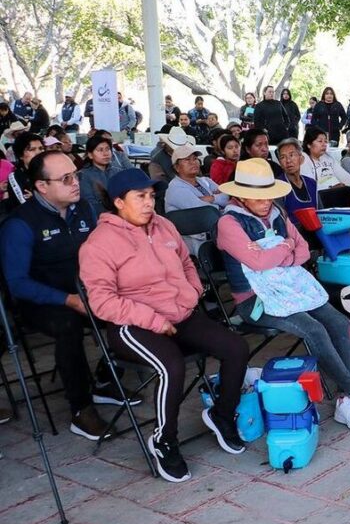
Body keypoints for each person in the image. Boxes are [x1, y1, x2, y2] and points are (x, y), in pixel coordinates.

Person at [79, 168, 251, 482]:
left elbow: (187, 263)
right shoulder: (99, 243)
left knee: (236, 347)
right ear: (118, 202)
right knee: (171, 365)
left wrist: (193, 292)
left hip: (179, 313)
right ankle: (164, 440)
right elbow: (102, 302)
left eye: (152, 196)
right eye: (140, 197)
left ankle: (222, 415)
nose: (149, 203)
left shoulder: (164, 226)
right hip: (131, 324)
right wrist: (154, 321)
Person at [217, 159, 350, 430]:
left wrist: (280, 252)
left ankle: (342, 401)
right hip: (256, 299)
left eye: (269, 196)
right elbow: (259, 264)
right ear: (240, 195)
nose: (266, 202)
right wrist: (285, 247)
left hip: (292, 288)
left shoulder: (277, 212)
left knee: (338, 322)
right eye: (258, 197)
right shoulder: (229, 223)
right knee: (314, 330)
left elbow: (301, 252)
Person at [0, 150, 129, 440]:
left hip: (85, 288)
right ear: (41, 186)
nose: (75, 183)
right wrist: (68, 300)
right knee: (68, 326)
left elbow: (102, 251)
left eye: (76, 175)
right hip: (41, 300)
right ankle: (81, 408)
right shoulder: (20, 224)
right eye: (65, 178)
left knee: (130, 304)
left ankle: (106, 379)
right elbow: (17, 283)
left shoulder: (82, 208)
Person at [275, 139, 319, 222]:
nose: (288, 161)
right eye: (283, 157)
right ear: (280, 163)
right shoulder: (278, 186)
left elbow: (321, 213)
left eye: (291, 155)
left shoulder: (312, 183)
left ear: (301, 159)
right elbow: (280, 220)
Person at [78, 134, 121, 216]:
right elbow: (90, 204)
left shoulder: (118, 171)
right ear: (90, 155)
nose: (105, 154)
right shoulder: (83, 175)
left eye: (107, 149)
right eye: (100, 150)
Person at [301, 126, 350, 190]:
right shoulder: (303, 159)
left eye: (325, 141)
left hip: (339, 192)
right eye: (320, 141)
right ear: (309, 145)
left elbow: (345, 177)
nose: (324, 144)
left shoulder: (328, 158)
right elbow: (310, 185)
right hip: (322, 196)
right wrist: (331, 188)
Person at [5, 133, 44, 210]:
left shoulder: (49, 170)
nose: (38, 152)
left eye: (41, 148)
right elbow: (25, 204)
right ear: (20, 155)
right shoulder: (15, 176)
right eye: (32, 149)